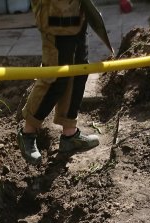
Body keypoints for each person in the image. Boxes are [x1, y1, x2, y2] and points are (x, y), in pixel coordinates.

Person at [17, 0, 100, 165]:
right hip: (55, 14)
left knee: (79, 72)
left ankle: (70, 133)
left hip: (77, 12)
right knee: (54, 77)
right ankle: (28, 132)